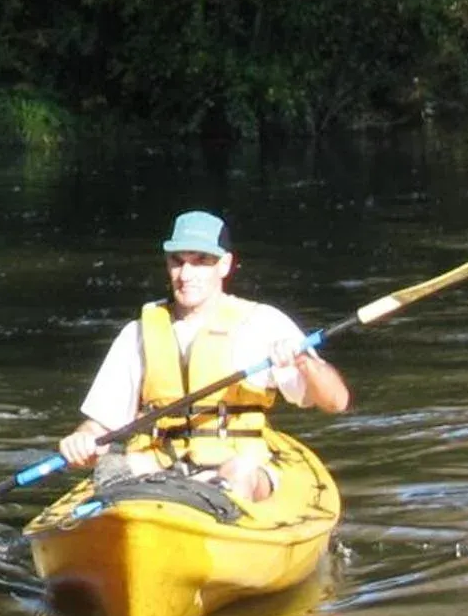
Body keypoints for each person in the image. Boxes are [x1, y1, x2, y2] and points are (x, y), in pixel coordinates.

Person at [57, 210, 350, 501]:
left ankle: (217, 517)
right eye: (177, 261)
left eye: (200, 262)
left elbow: (336, 402)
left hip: (237, 463)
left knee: (238, 474)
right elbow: (99, 426)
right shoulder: (138, 333)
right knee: (112, 469)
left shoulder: (262, 324)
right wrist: (83, 440)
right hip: (159, 464)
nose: (185, 275)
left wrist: (304, 363)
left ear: (224, 265)